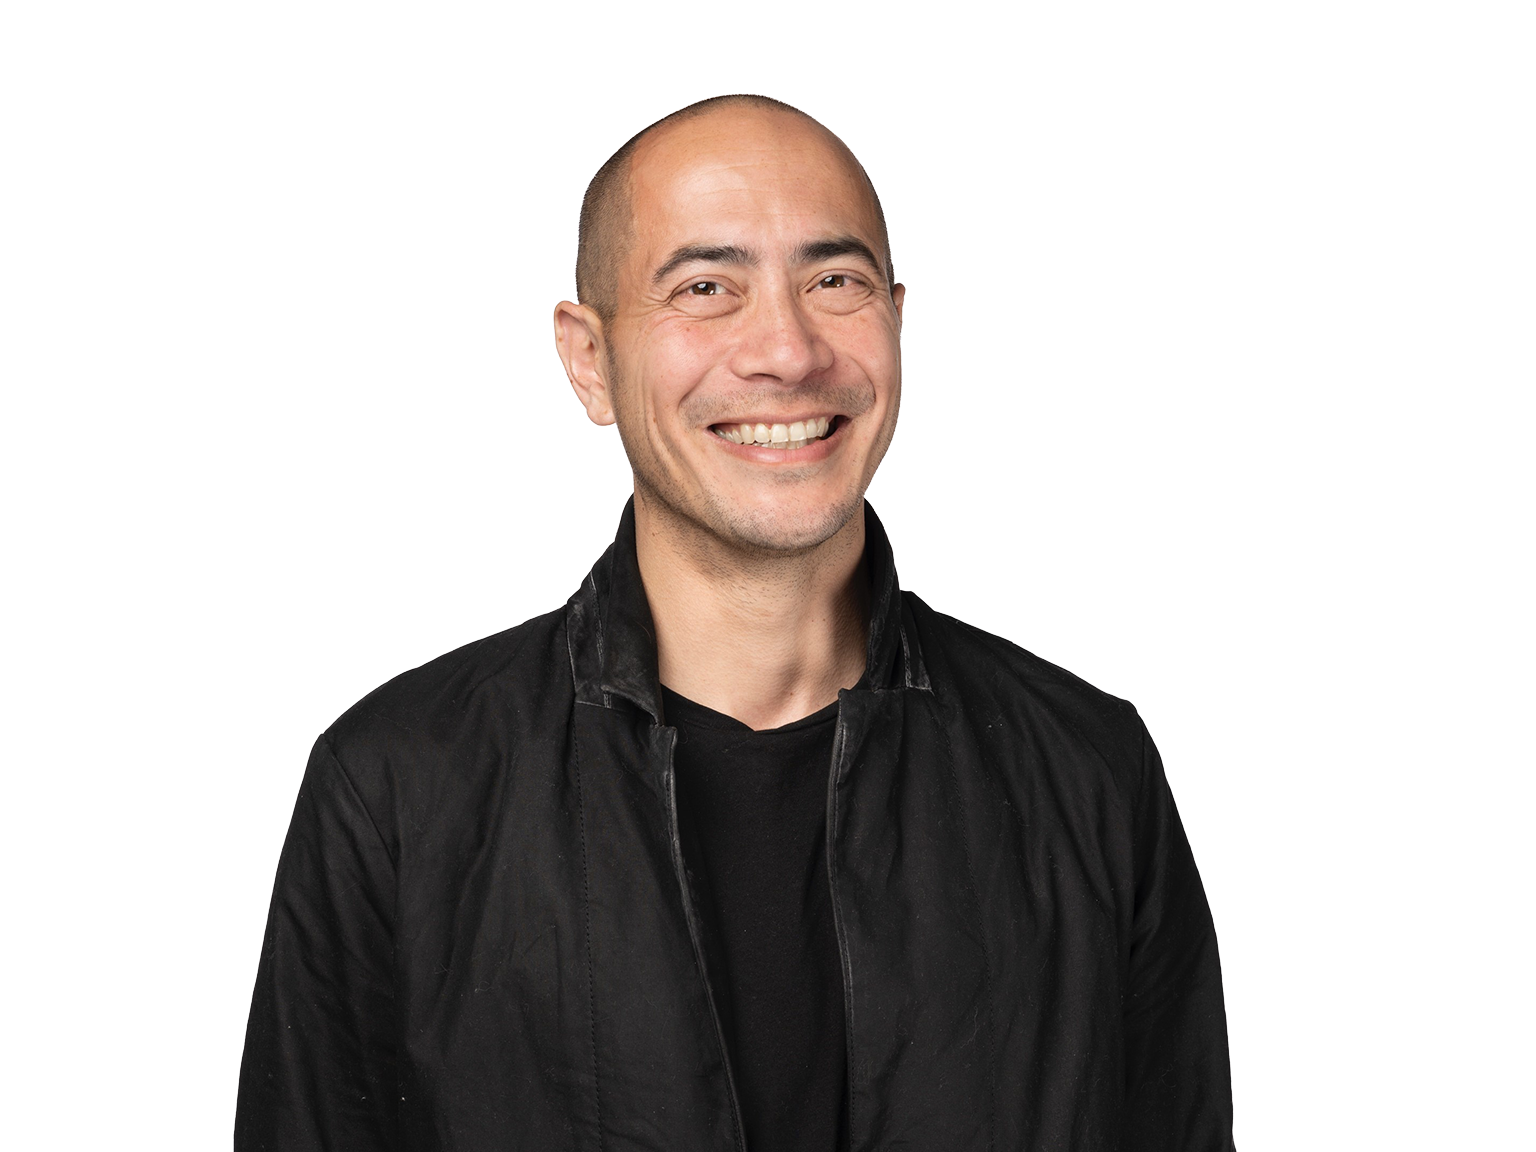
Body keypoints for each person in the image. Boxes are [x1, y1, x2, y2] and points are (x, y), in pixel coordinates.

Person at [236, 94, 1235, 1151]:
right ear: (589, 359)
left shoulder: (1087, 773)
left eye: (835, 282)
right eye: (705, 288)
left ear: (897, 320)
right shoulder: (399, 789)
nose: (788, 352)